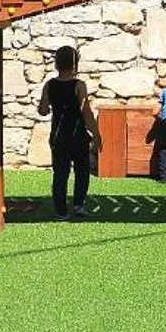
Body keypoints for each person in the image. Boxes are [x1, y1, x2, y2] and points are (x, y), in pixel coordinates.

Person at [37, 46, 99, 218]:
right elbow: (86, 112)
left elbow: (42, 110)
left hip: (58, 136)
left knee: (60, 173)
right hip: (78, 135)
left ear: (56, 64)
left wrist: (51, 107)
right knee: (82, 171)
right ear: (75, 64)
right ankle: (78, 205)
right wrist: (96, 134)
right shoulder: (79, 85)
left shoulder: (49, 85)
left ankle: (61, 210)